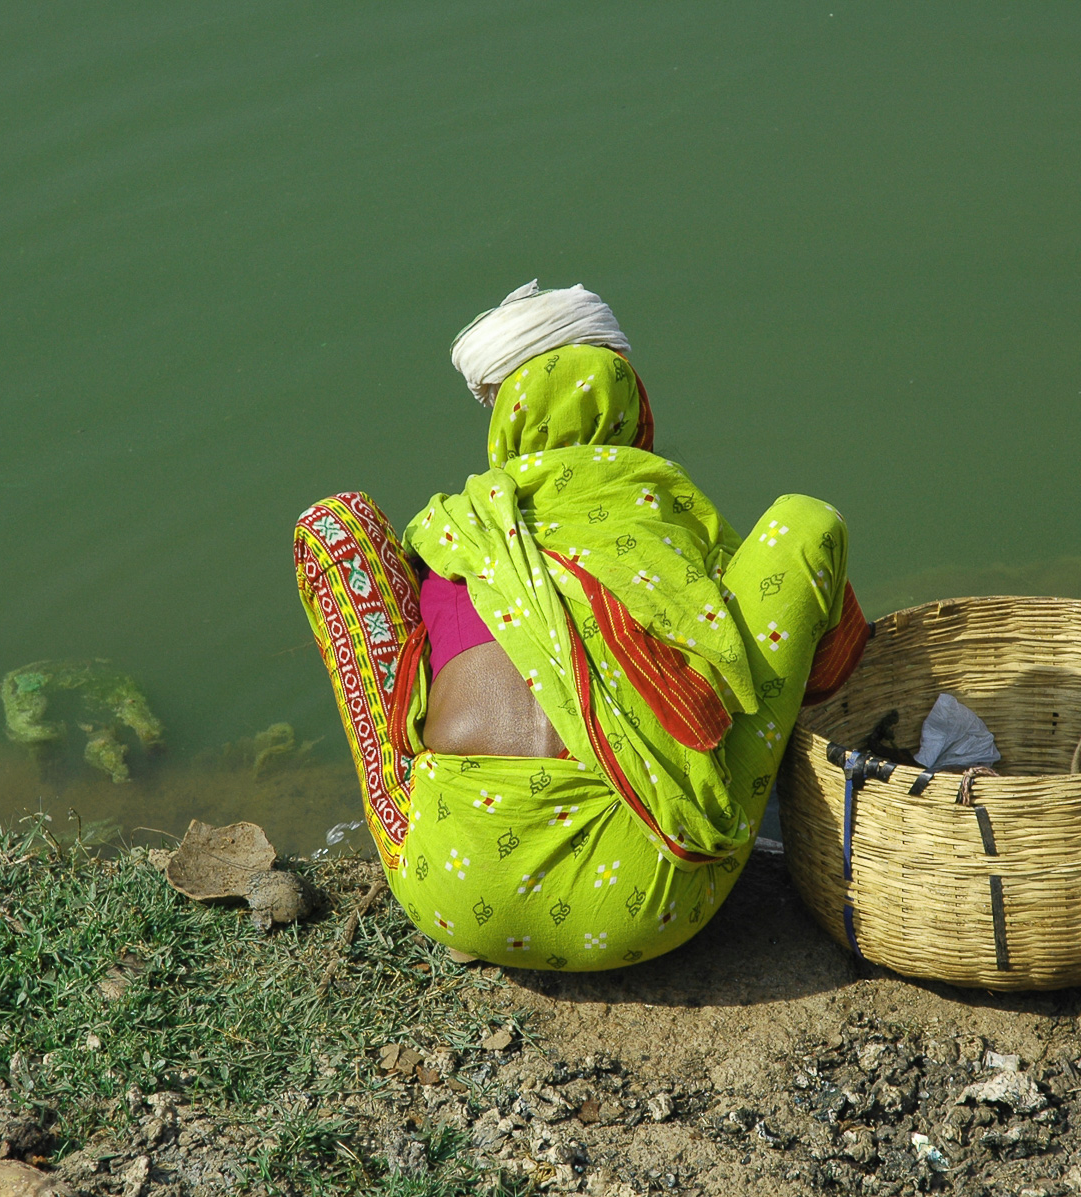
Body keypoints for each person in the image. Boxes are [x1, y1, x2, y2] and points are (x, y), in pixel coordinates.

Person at [295, 281, 867, 971]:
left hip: (445, 892)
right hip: (646, 907)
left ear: (507, 426)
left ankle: (467, 904)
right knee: (805, 524)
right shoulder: (663, 519)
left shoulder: (457, 537)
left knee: (335, 526)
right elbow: (729, 643)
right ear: (631, 411)